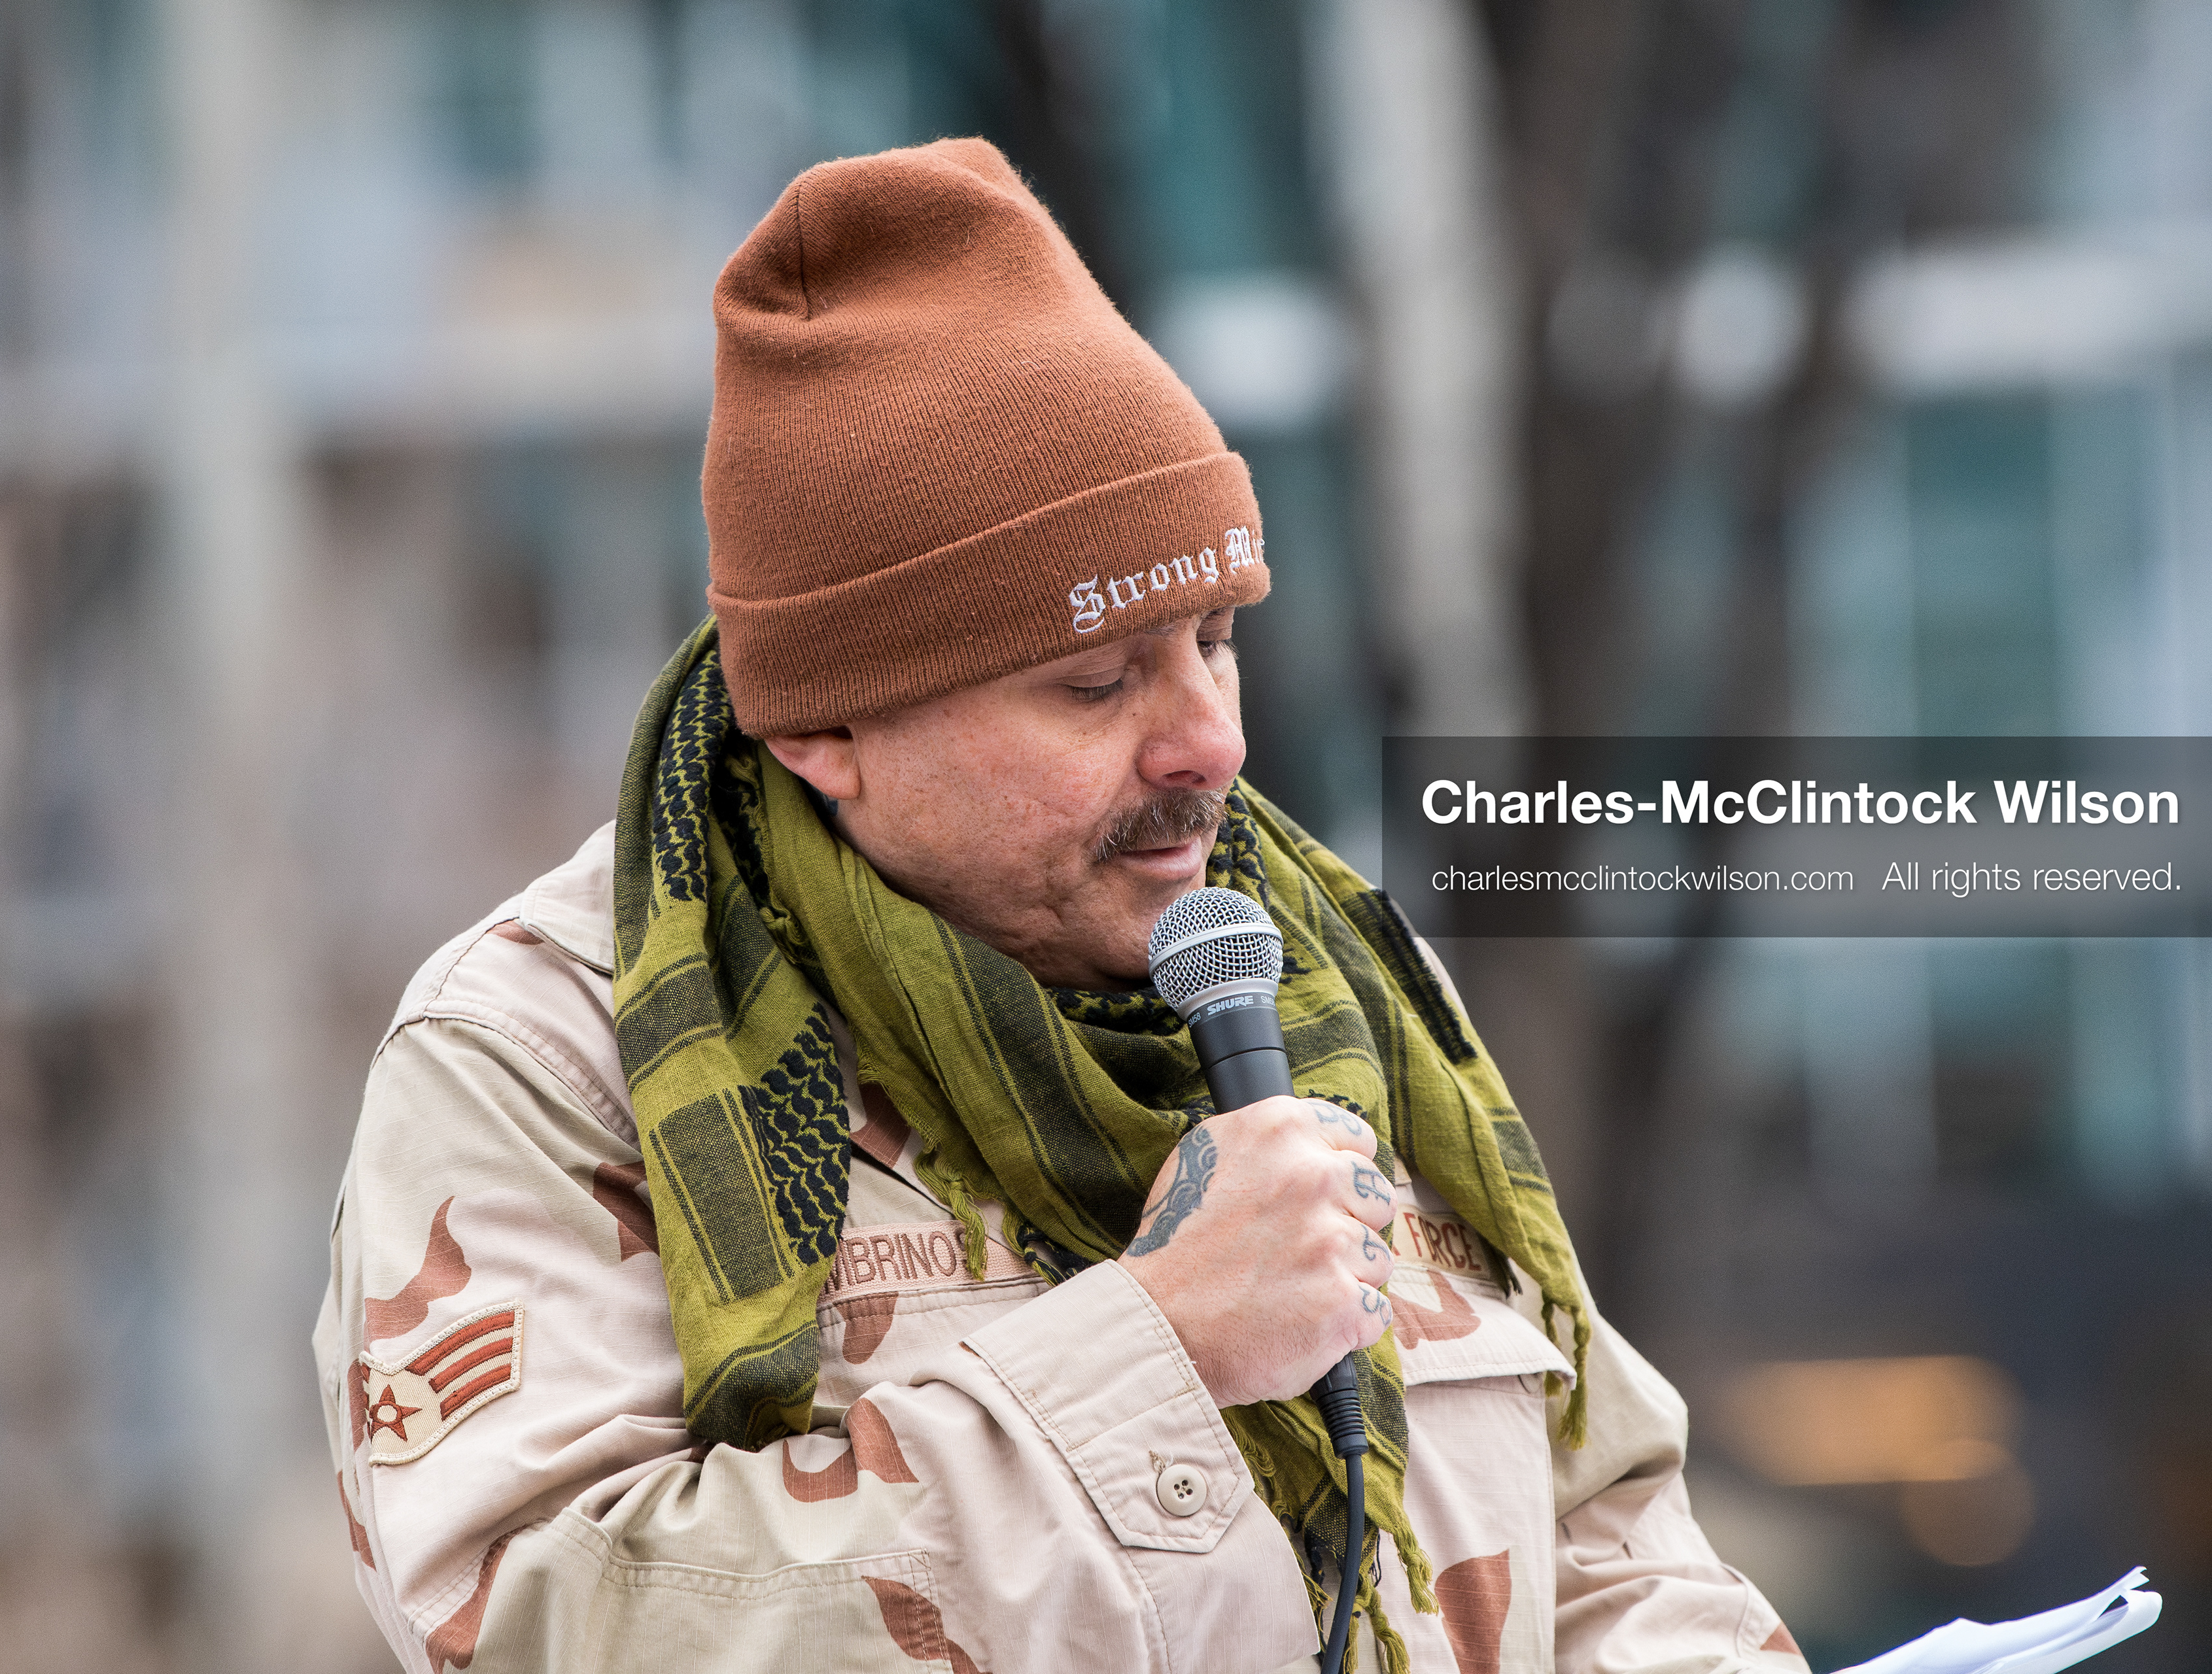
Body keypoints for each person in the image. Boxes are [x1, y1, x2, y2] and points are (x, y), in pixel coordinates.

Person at [315, 138, 1807, 1674]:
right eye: (1096, 681)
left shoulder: (1327, 986)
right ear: (828, 728)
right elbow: (541, 1626)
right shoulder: (542, 1061)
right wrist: (1156, 1349)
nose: (1211, 741)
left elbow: (1610, 1526)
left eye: (1215, 640)